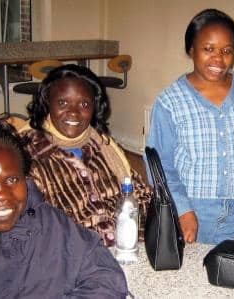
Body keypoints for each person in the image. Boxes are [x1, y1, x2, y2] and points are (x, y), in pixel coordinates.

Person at [0, 114, 128, 298]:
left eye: (12, 180)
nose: (3, 196)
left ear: (25, 178)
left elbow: (106, 277)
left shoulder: (53, 224)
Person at [146, 8, 234, 244]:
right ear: (191, 49)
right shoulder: (170, 102)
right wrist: (182, 209)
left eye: (226, 51)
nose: (218, 58)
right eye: (208, 49)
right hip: (192, 212)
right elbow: (160, 167)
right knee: (190, 279)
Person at [21, 64, 151, 247]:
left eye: (84, 104)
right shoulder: (27, 155)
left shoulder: (104, 145)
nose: (74, 112)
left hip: (128, 245)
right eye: (63, 103)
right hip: (72, 257)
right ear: (46, 102)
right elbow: (33, 225)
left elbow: (141, 195)